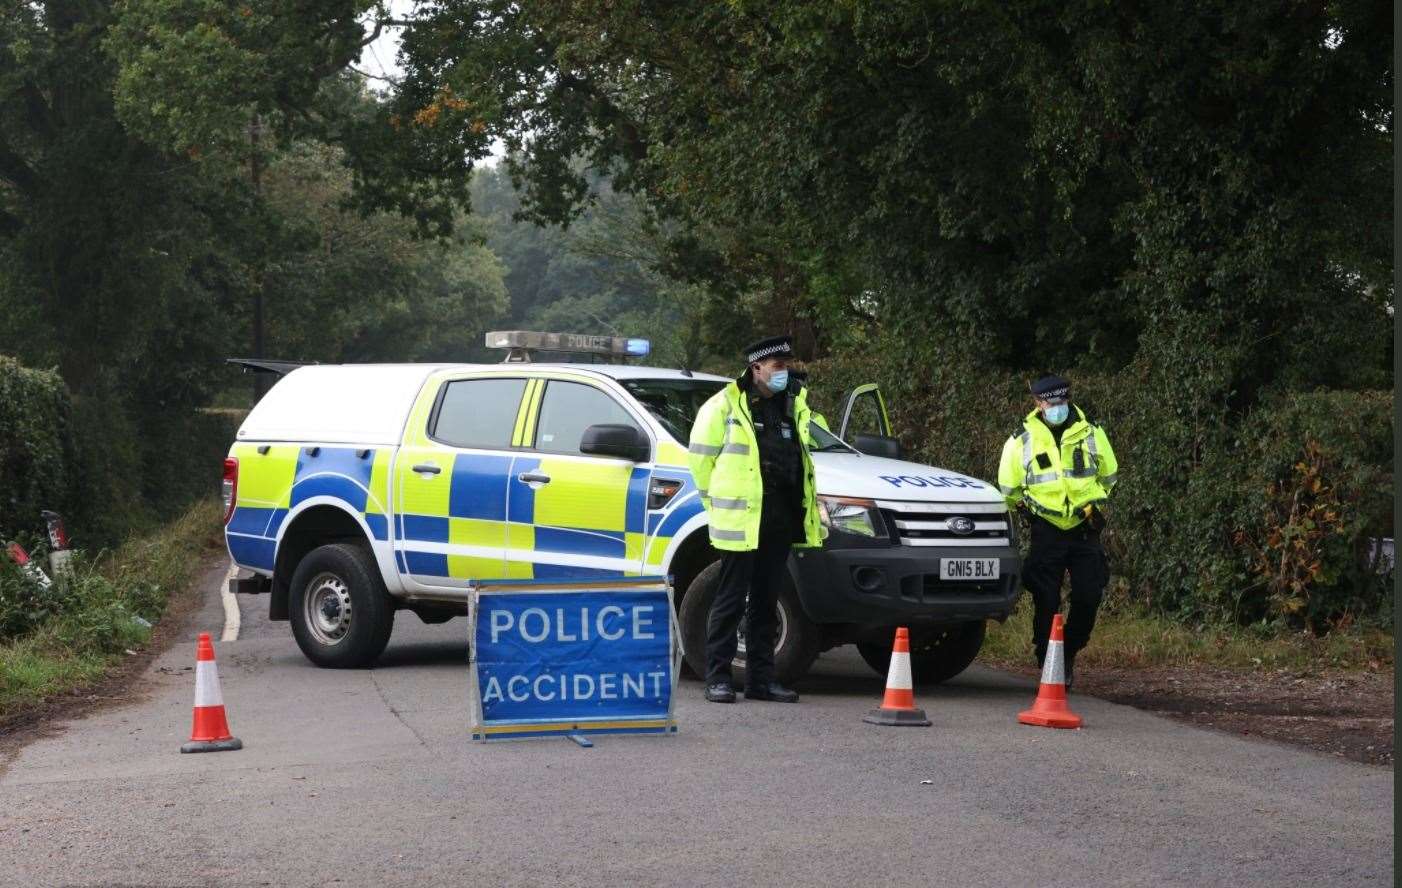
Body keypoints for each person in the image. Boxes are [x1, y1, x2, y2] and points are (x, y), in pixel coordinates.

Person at [688, 335, 823, 703]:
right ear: (756, 368)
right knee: (730, 599)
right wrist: (715, 505)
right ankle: (717, 677)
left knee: (766, 600)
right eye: (778, 365)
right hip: (741, 520)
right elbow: (700, 462)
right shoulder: (724, 406)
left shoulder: (793, 405)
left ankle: (761, 681)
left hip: (780, 515)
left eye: (787, 365)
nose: (785, 372)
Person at [997, 374, 1119, 690]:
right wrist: (1026, 511)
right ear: (1038, 403)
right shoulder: (1021, 439)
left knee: (1089, 595)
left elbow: (1109, 475)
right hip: (1046, 529)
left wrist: (1092, 503)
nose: (1058, 408)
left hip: (1083, 526)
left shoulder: (1091, 432)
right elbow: (1008, 488)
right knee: (1046, 598)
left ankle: (1069, 652)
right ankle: (1048, 659)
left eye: (1062, 402)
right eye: (1051, 403)